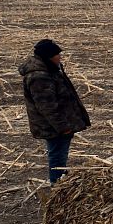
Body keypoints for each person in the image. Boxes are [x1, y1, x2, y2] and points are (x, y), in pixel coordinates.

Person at [19, 39, 91, 184]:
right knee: (57, 156)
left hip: (60, 124)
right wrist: (63, 127)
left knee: (60, 155)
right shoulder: (39, 76)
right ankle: (57, 187)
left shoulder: (50, 69)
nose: (60, 57)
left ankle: (60, 183)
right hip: (54, 127)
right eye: (57, 54)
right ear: (48, 56)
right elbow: (47, 107)